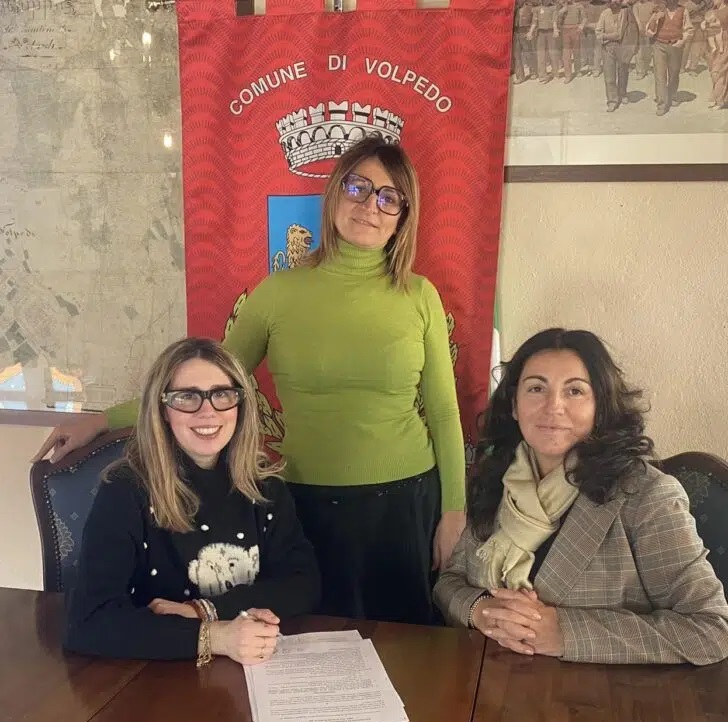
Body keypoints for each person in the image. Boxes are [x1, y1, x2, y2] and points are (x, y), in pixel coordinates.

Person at [37, 137, 466, 625]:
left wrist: (454, 511)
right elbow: (203, 388)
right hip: (304, 503)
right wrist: (101, 420)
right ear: (334, 194)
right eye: (359, 187)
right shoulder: (277, 293)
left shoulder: (420, 295)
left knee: (405, 647)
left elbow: (444, 411)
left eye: (390, 197)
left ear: (404, 215)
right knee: (306, 644)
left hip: (405, 502)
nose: (371, 206)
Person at [434, 328, 728, 665]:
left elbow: (711, 629)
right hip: (490, 680)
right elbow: (449, 583)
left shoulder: (645, 496)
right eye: (536, 388)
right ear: (514, 405)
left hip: (603, 691)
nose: (553, 407)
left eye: (574, 391)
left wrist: (565, 633)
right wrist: (481, 610)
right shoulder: (495, 478)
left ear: (600, 406)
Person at [64, 337, 320, 664]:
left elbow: (304, 584)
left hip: (252, 666)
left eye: (222, 394)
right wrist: (215, 637)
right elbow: (88, 622)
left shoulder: (266, 486)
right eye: (187, 397)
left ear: (240, 405)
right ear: (163, 410)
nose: (207, 411)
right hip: (150, 673)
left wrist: (204, 610)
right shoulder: (125, 490)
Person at [646, 0, 695, 115]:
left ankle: (672, 96)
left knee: (674, 74)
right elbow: (648, 31)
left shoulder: (683, 11)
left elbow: (689, 29)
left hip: (675, 46)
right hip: (659, 45)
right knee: (660, 75)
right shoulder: (658, 10)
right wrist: (655, 19)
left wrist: (682, 41)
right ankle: (661, 104)